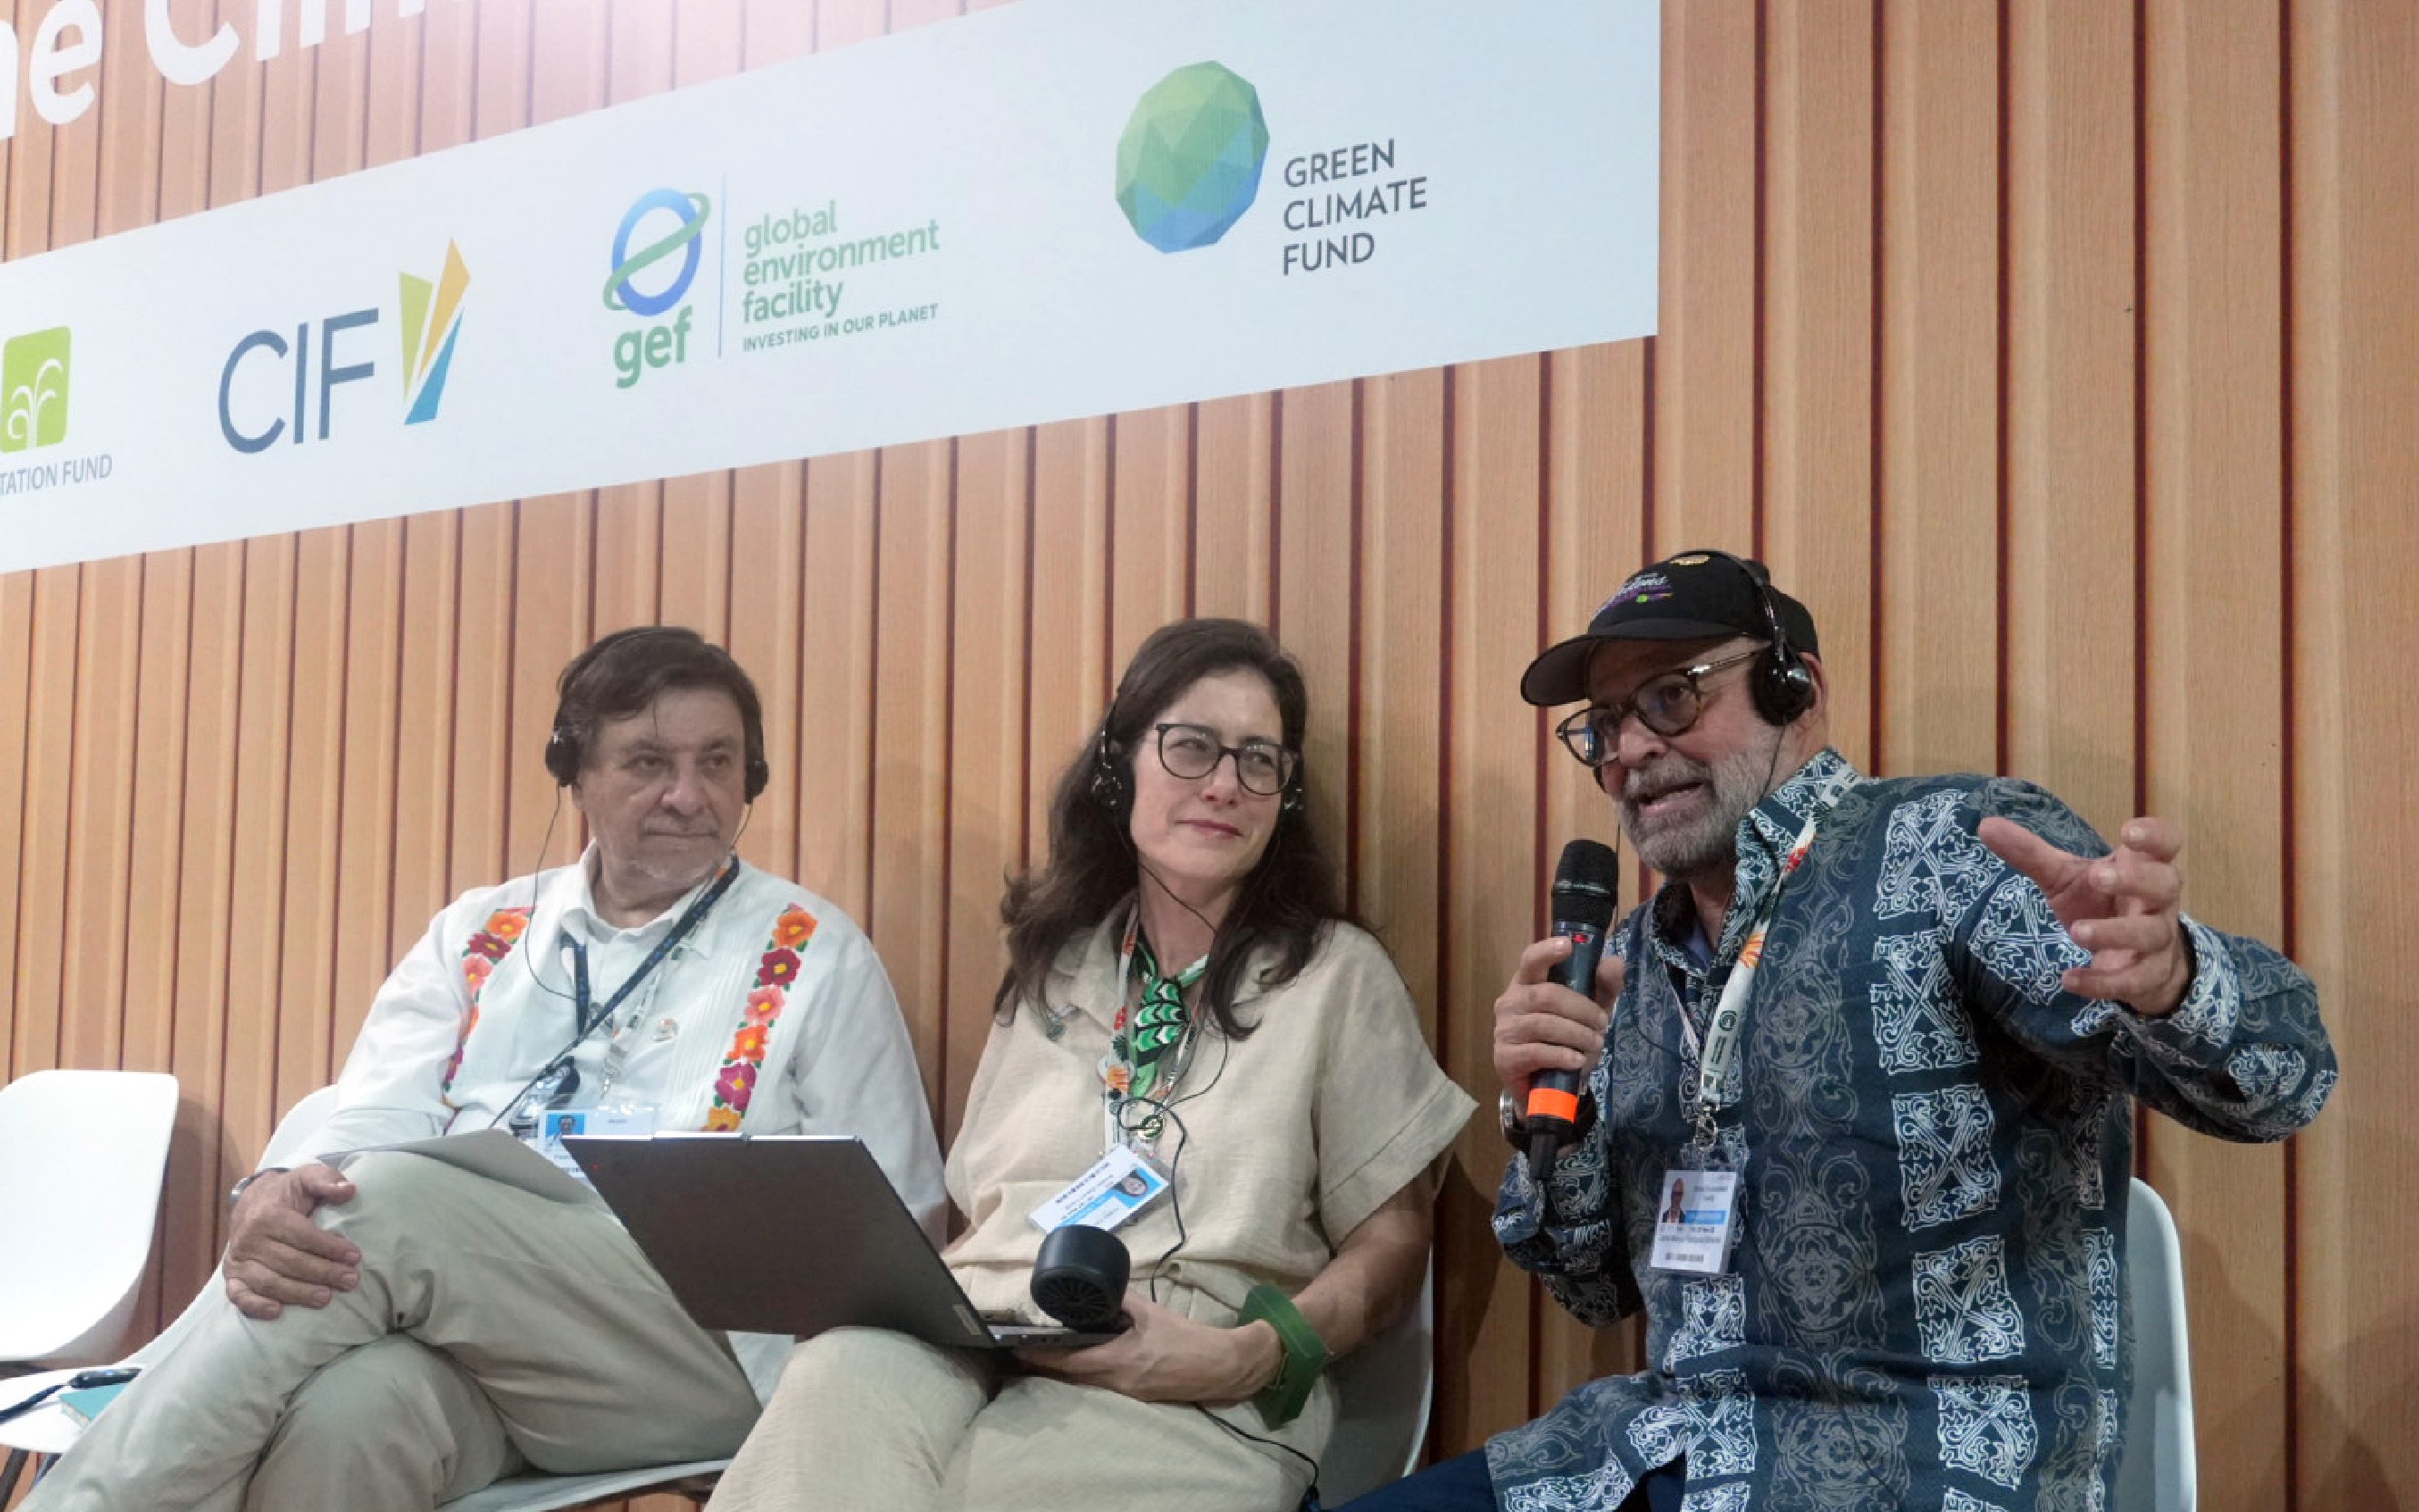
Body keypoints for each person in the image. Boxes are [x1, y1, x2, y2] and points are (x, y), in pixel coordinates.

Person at [1343, 551, 2334, 1512]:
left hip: (1917, 1463)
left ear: (1796, 689)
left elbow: (2286, 1084)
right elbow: (1594, 1291)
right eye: (1602, 724)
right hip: (1655, 1447)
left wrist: (2171, 982)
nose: (1629, 749)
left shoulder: (1950, 851)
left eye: (1671, 698)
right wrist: (1550, 1112)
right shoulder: (1625, 960)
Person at [24, 627, 947, 1512]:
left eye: (717, 761)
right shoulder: (482, 930)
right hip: (486, 1345)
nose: (688, 793)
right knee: (350, 1416)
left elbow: (898, 1220)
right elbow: (372, 1113)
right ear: (574, 774)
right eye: (648, 762)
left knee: (389, 1202)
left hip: (708, 1352)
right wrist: (277, 1184)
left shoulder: (815, 950)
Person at [708, 618, 1474, 1512]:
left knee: (985, 1497)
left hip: (1192, 1364)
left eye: (1259, 759)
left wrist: (1251, 1353)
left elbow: (1392, 1244)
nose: (1225, 783)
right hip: (983, 1333)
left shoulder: (1335, 975)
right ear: (1120, 766)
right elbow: (984, 1212)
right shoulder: (1055, 967)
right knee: (832, 1377)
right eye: (1192, 746)